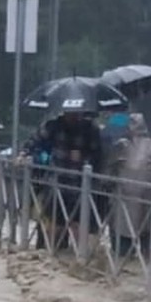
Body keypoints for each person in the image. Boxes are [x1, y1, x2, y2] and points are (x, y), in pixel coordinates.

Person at [21, 103, 105, 252]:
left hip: (80, 185)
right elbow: (34, 140)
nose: (72, 115)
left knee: (79, 222)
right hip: (56, 183)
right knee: (52, 220)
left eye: (76, 112)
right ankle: (47, 250)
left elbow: (98, 156)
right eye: (69, 112)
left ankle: (79, 258)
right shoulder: (53, 125)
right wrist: (24, 153)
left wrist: (84, 157)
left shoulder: (91, 129)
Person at [109, 112, 151, 258]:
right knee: (144, 229)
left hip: (129, 195)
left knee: (126, 230)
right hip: (143, 196)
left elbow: (110, 168)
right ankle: (144, 259)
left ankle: (126, 258)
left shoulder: (121, 146)